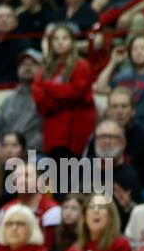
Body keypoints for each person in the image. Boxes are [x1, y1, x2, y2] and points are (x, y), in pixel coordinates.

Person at [32, 24, 96, 157]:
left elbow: (73, 93)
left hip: (76, 132)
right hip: (53, 132)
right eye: (56, 39)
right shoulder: (44, 71)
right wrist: (59, 98)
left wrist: (48, 87)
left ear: (72, 42)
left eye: (65, 38)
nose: (60, 42)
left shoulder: (82, 66)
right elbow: (39, 99)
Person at [0, 47, 44, 150]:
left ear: (43, 68)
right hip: (8, 154)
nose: (27, 67)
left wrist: (23, 151)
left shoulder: (47, 98)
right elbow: (0, 131)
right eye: (23, 64)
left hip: (34, 154)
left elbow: (44, 133)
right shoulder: (8, 101)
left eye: (33, 64)